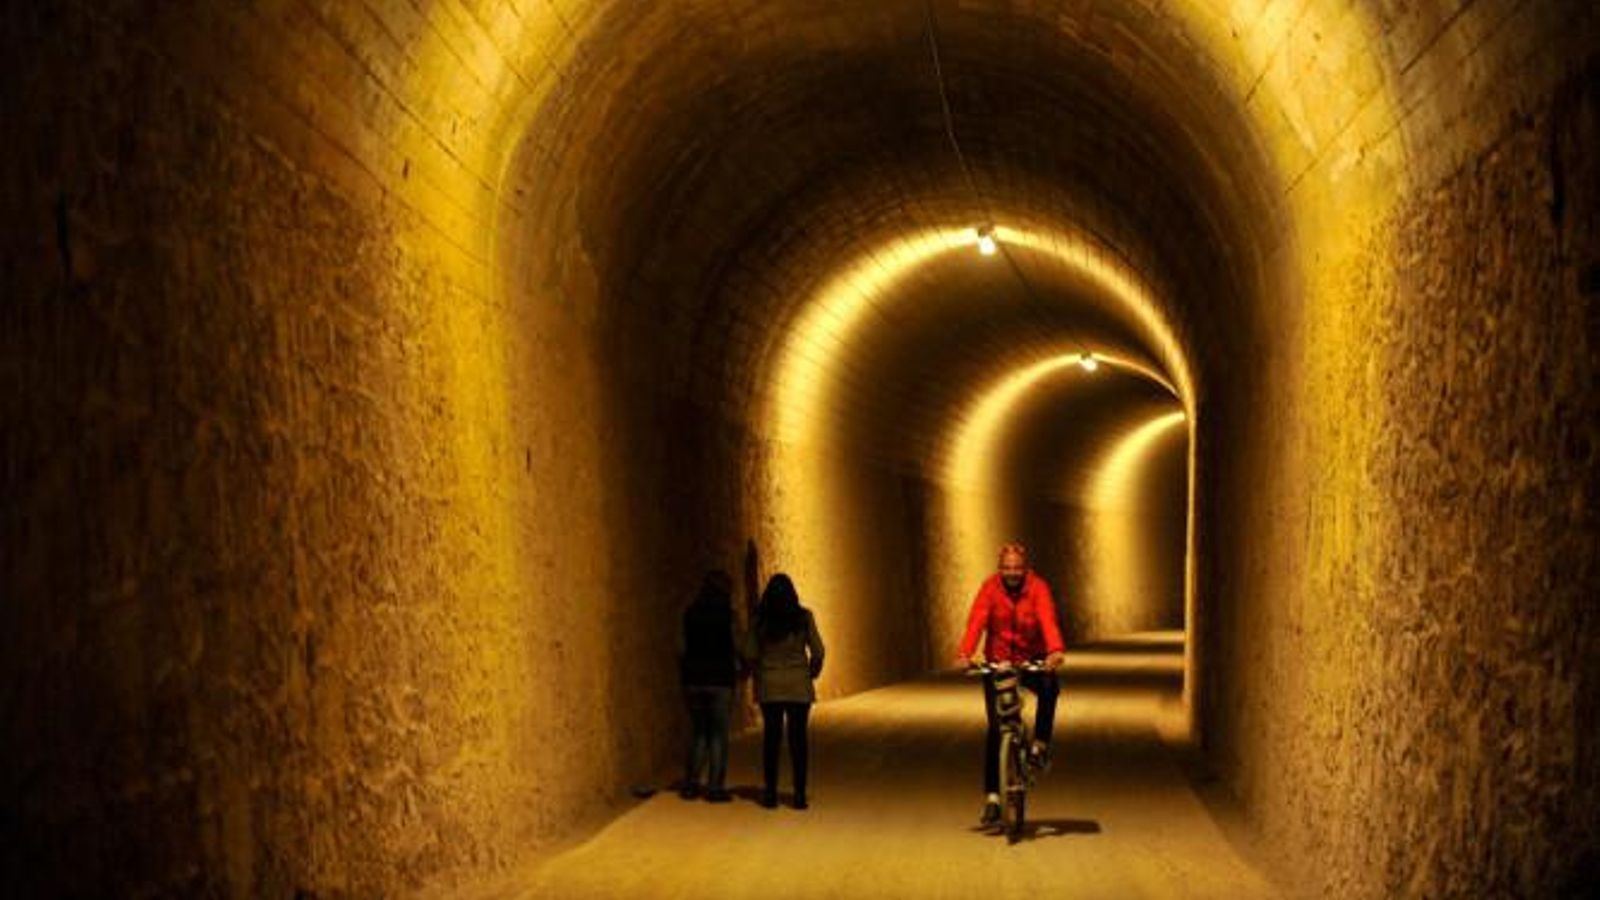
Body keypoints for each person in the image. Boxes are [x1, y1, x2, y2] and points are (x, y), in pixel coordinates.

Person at [953, 542, 1066, 826]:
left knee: (1050, 686)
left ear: (1025, 568)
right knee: (995, 728)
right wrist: (965, 653)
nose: (1012, 573)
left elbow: (1047, 618)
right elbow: (977, 619)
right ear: (999, 569)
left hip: (1031, 658)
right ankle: (992, 797)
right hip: (999, 662)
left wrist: (1054, 650)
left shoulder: (1038, 588)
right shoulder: (990, 589)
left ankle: (1040, 743)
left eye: (1017, 568)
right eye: (1007, 568)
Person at [745, 573, 825, 810]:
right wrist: (811, 672)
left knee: (772, 740)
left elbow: (749, 652)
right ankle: (799, 795)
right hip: (798, 686)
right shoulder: (803, 618)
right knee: (798, 741)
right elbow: (818, 651)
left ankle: (770, 794)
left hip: (770, 686)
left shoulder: (760, 621)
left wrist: (759, 671)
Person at [679, 570, 741, 802]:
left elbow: (680, 648)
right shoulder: (729, 616)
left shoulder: (689, 614)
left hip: (693, 679)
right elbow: (739, 645)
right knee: (717, 734)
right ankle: (715, 787)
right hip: (721, 680)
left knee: (698, 732)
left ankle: (691, 784)